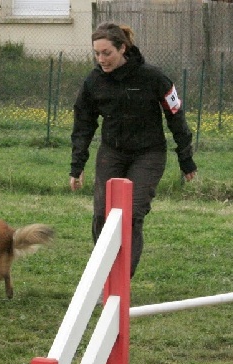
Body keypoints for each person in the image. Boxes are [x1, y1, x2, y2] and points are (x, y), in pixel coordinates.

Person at [69, 22, 197, 279]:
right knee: (102, 214)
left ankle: (121, 280)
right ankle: (104, 274)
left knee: (131, 214)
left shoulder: (153, 77)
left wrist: (186, 159)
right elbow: (83, 123)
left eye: (107, 53)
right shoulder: (94, 81)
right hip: (112, 152)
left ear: (123, 49)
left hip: (148, 154)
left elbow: (175, 116)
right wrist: (77, 164)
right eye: (97, 53)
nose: (101, 59)